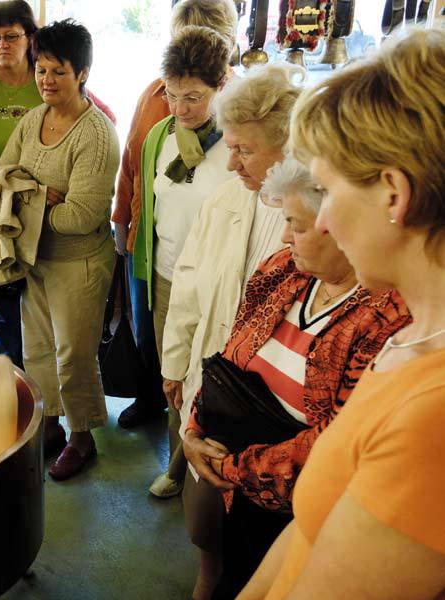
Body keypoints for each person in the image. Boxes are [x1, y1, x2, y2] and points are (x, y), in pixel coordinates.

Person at [240, 29, 445, 600]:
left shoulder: (432, 416)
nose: (323, 221)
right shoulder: (412, 339)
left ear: (393, 194)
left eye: (328, 192)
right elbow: (310, 528)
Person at [183, 155, 411, 598]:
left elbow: (336, 442)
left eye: (297, 224)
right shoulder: (280, 270)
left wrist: (228, 466)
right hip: (236, 490)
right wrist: (194, 429)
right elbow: (230, 360)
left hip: (299, 509)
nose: (285, 235)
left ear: (340, 225)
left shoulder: (385, 315)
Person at [159, 63, 298, 599]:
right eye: (231, 146)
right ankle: (208, 575)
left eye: (244, 150)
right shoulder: (225, 200)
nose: (232, 161)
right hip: (212, 385)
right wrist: (176, 365)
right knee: (205, 515)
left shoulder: (312, 218)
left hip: (274, 406)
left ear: (288, 146)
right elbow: (188, 287)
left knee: (262, 527)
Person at [0, 1, 115, 374]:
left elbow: (83, 205)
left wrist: (27, 194)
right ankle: (15, 398)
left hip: (66, 252)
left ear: (29, 39)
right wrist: (36, 196)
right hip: (8, 232)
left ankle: (52, 410)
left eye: (11, 36)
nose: (2, 45)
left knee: (70, 356)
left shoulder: (83, 117)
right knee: (13, 336)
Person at [0, 19, 119, 480]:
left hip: (79, 262)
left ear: (82, 73)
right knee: (39, 350)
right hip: (35, 259)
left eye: (58, 72)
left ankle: (83, 437)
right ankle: (49, 426)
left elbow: (80, 217)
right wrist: (45, 197)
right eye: (41, 70)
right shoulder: (33, 120)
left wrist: (30, 197)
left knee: (74, 356)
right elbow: (2, 177)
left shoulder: (96, 134)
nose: (46, 80)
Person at [114, 0, 239, 431]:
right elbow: (134, 172)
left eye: (192, 98)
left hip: (220, 276)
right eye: (172, 95)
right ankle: (174, 450)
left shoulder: (239, 132)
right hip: (165, 269)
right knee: (169, 370)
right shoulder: (159, 128)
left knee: (215, 376)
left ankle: (199, 454)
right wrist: (124, 228)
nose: (180, 107)